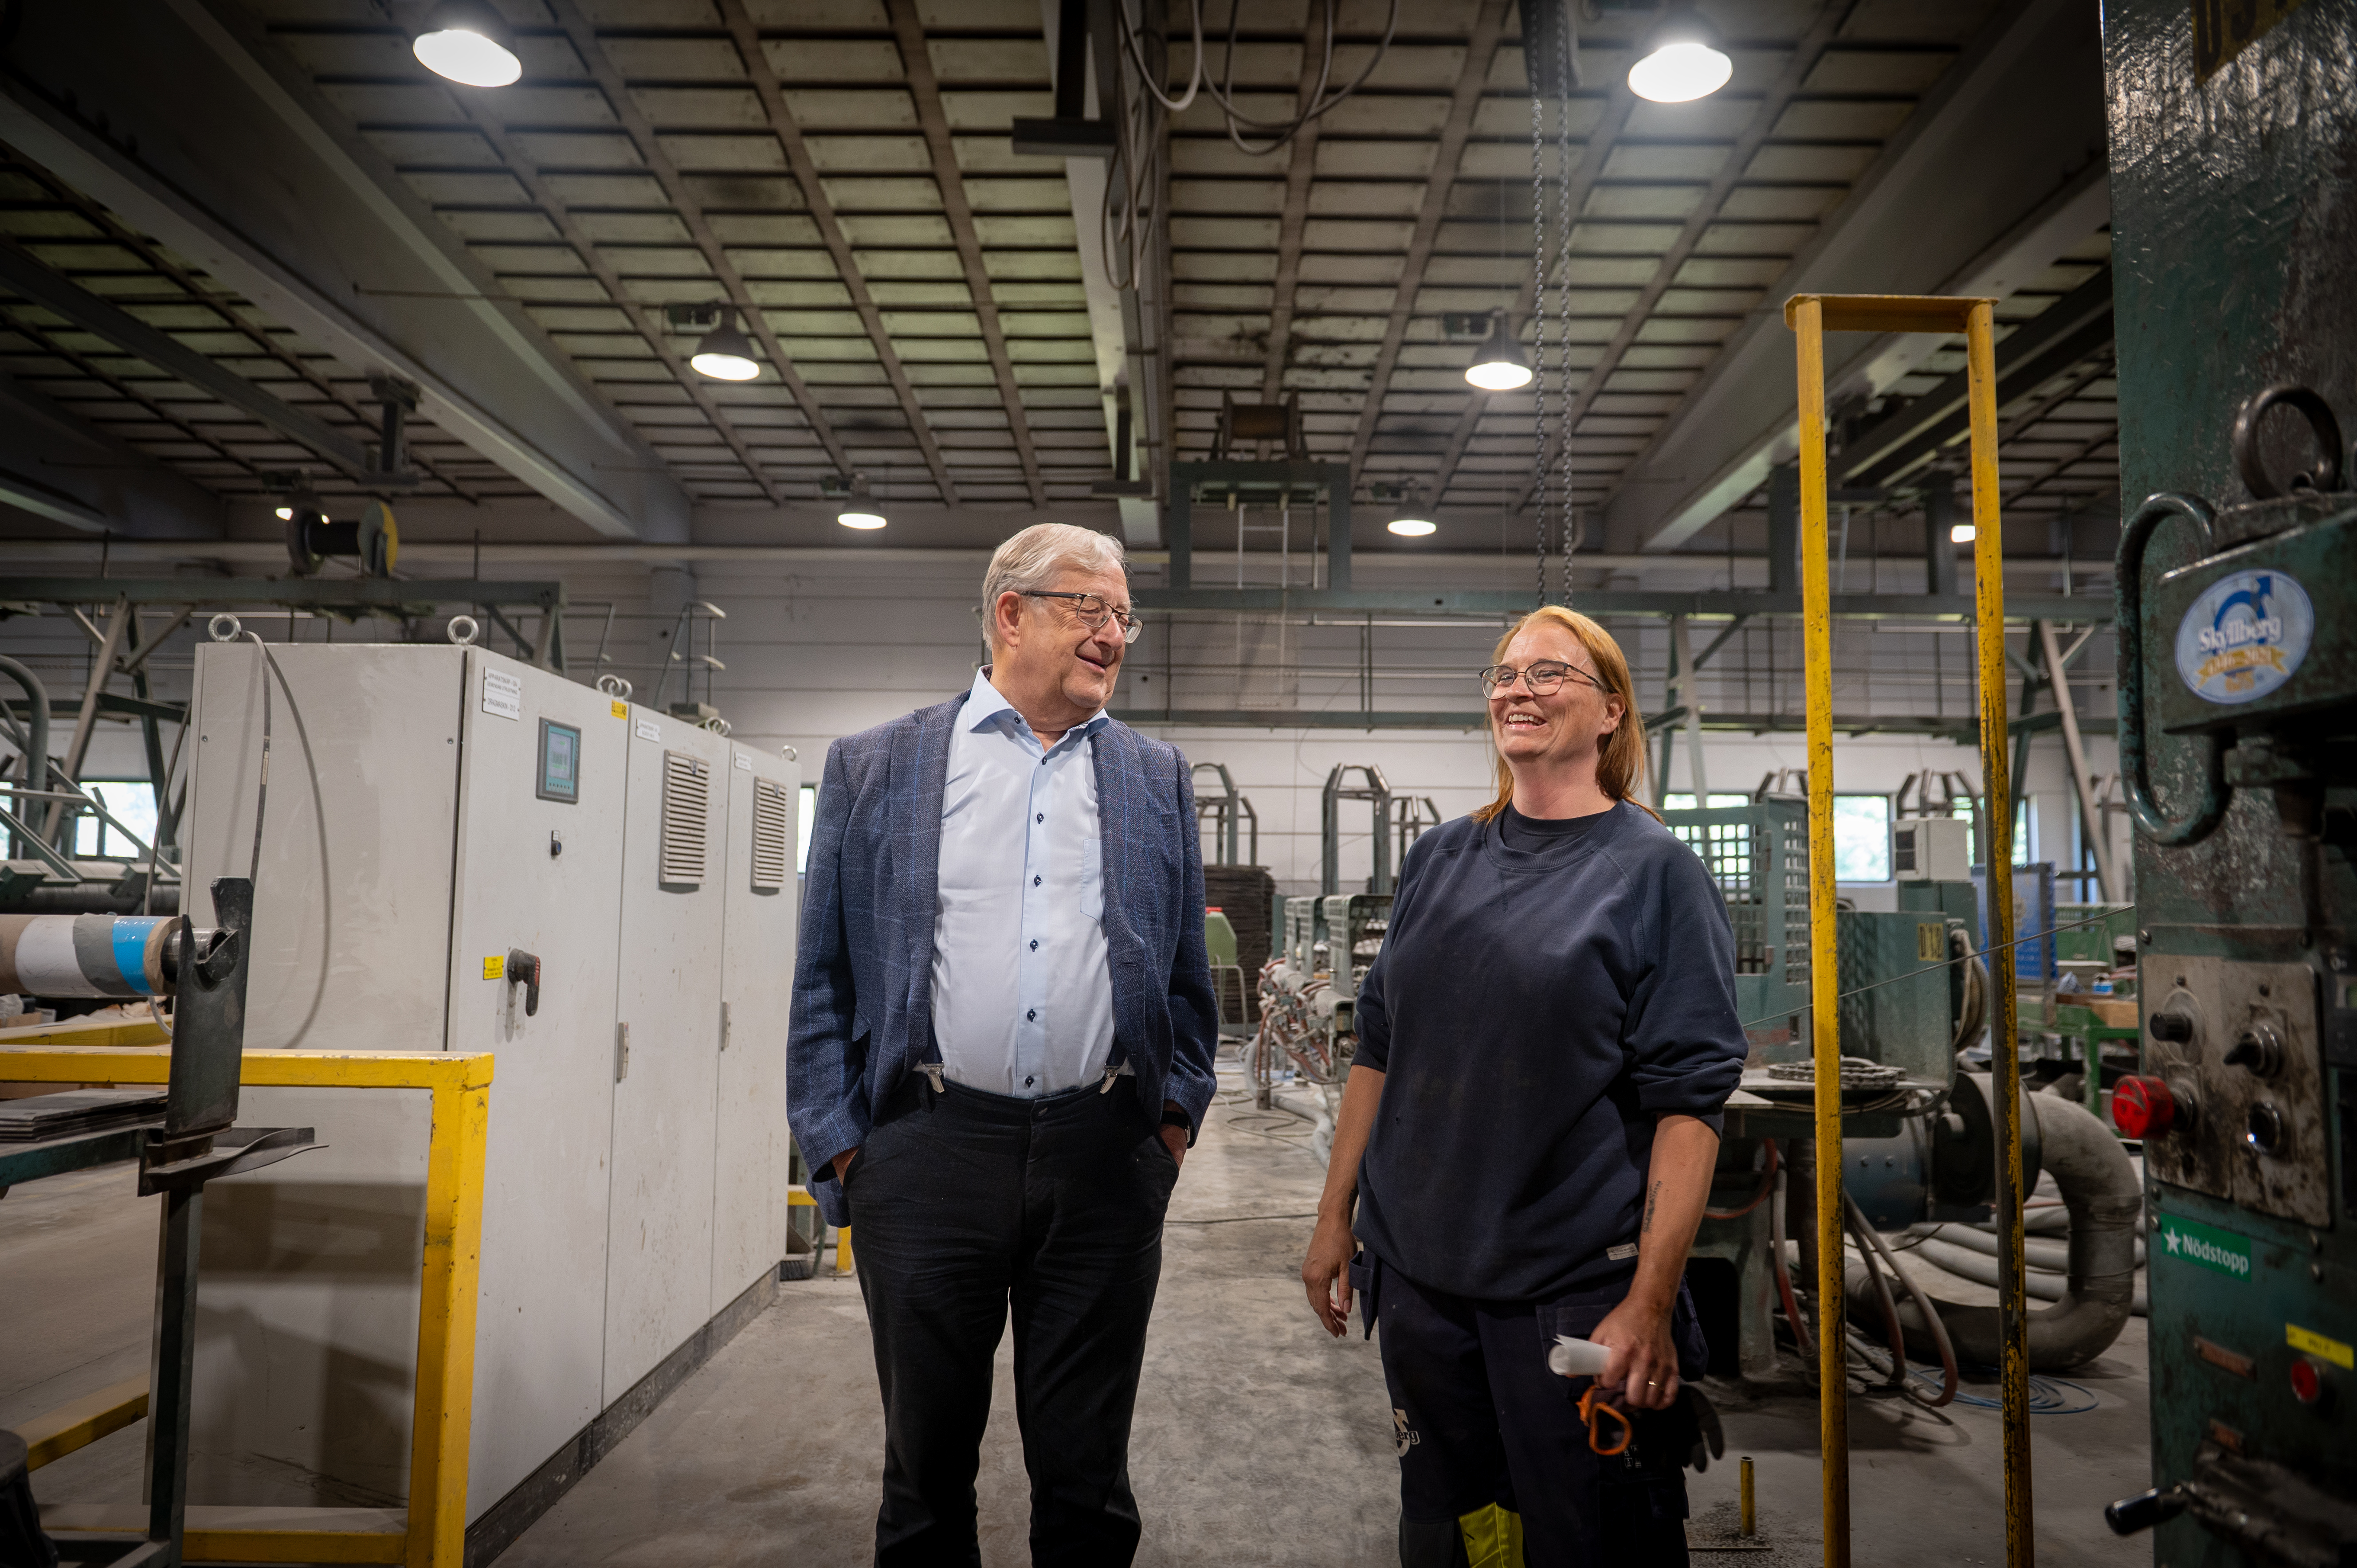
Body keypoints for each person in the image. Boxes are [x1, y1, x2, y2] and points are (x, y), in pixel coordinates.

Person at [788, 522, 1220, 1568]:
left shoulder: (1154, 775)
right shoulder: (874, 767)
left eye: (1124, 615)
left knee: (1087, 1480)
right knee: (926, 1477)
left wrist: (1169, 1122)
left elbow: (1182, 978)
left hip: (1105, 1158)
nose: (1114, 635)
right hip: (927, 1154)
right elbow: (822, 980)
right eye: (1090, 608)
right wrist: (848, 1150)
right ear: (1009, 614)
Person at [1300, 604, 1746, 1568]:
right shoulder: (1441, 858)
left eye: (1550, 674)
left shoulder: (1654, 872)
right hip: (1419, 1284)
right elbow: (1377, 1049)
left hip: (1568, 1293)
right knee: (1456, 1534)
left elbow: (1689, 1107)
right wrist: (1338, 1215)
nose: (1518, 688)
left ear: (1610, 713)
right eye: (1505, 674)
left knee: (1590, 1533)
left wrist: (1652, 1299)